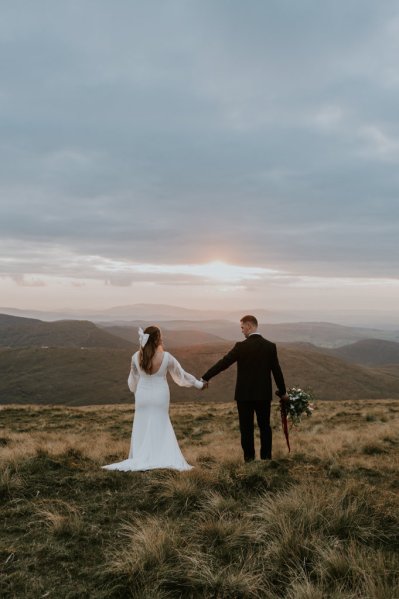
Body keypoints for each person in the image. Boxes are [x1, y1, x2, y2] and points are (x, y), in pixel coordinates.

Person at [102, 326, 205, 472]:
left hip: (142, 396)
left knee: (142, 424)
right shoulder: (167, 357)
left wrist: (137, 390)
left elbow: (132, 382)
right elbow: (181, 375)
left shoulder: (136, 356)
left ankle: (142, 456)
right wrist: (199, 384)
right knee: (161, 423)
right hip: (160, 395)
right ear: (157, 338)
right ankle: (159, 456)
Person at [201, 315, 288, 462]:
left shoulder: (241, 347)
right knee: (265, 427)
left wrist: (205, 377)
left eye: (242, 327)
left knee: (246, 429)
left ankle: (249, 460)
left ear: (249, 326)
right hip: (263, 395)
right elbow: (277, 371)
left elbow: (223, 363)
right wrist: (283, 392)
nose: (241, 331)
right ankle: (266, 459)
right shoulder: (269, 346)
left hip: (244, 396)